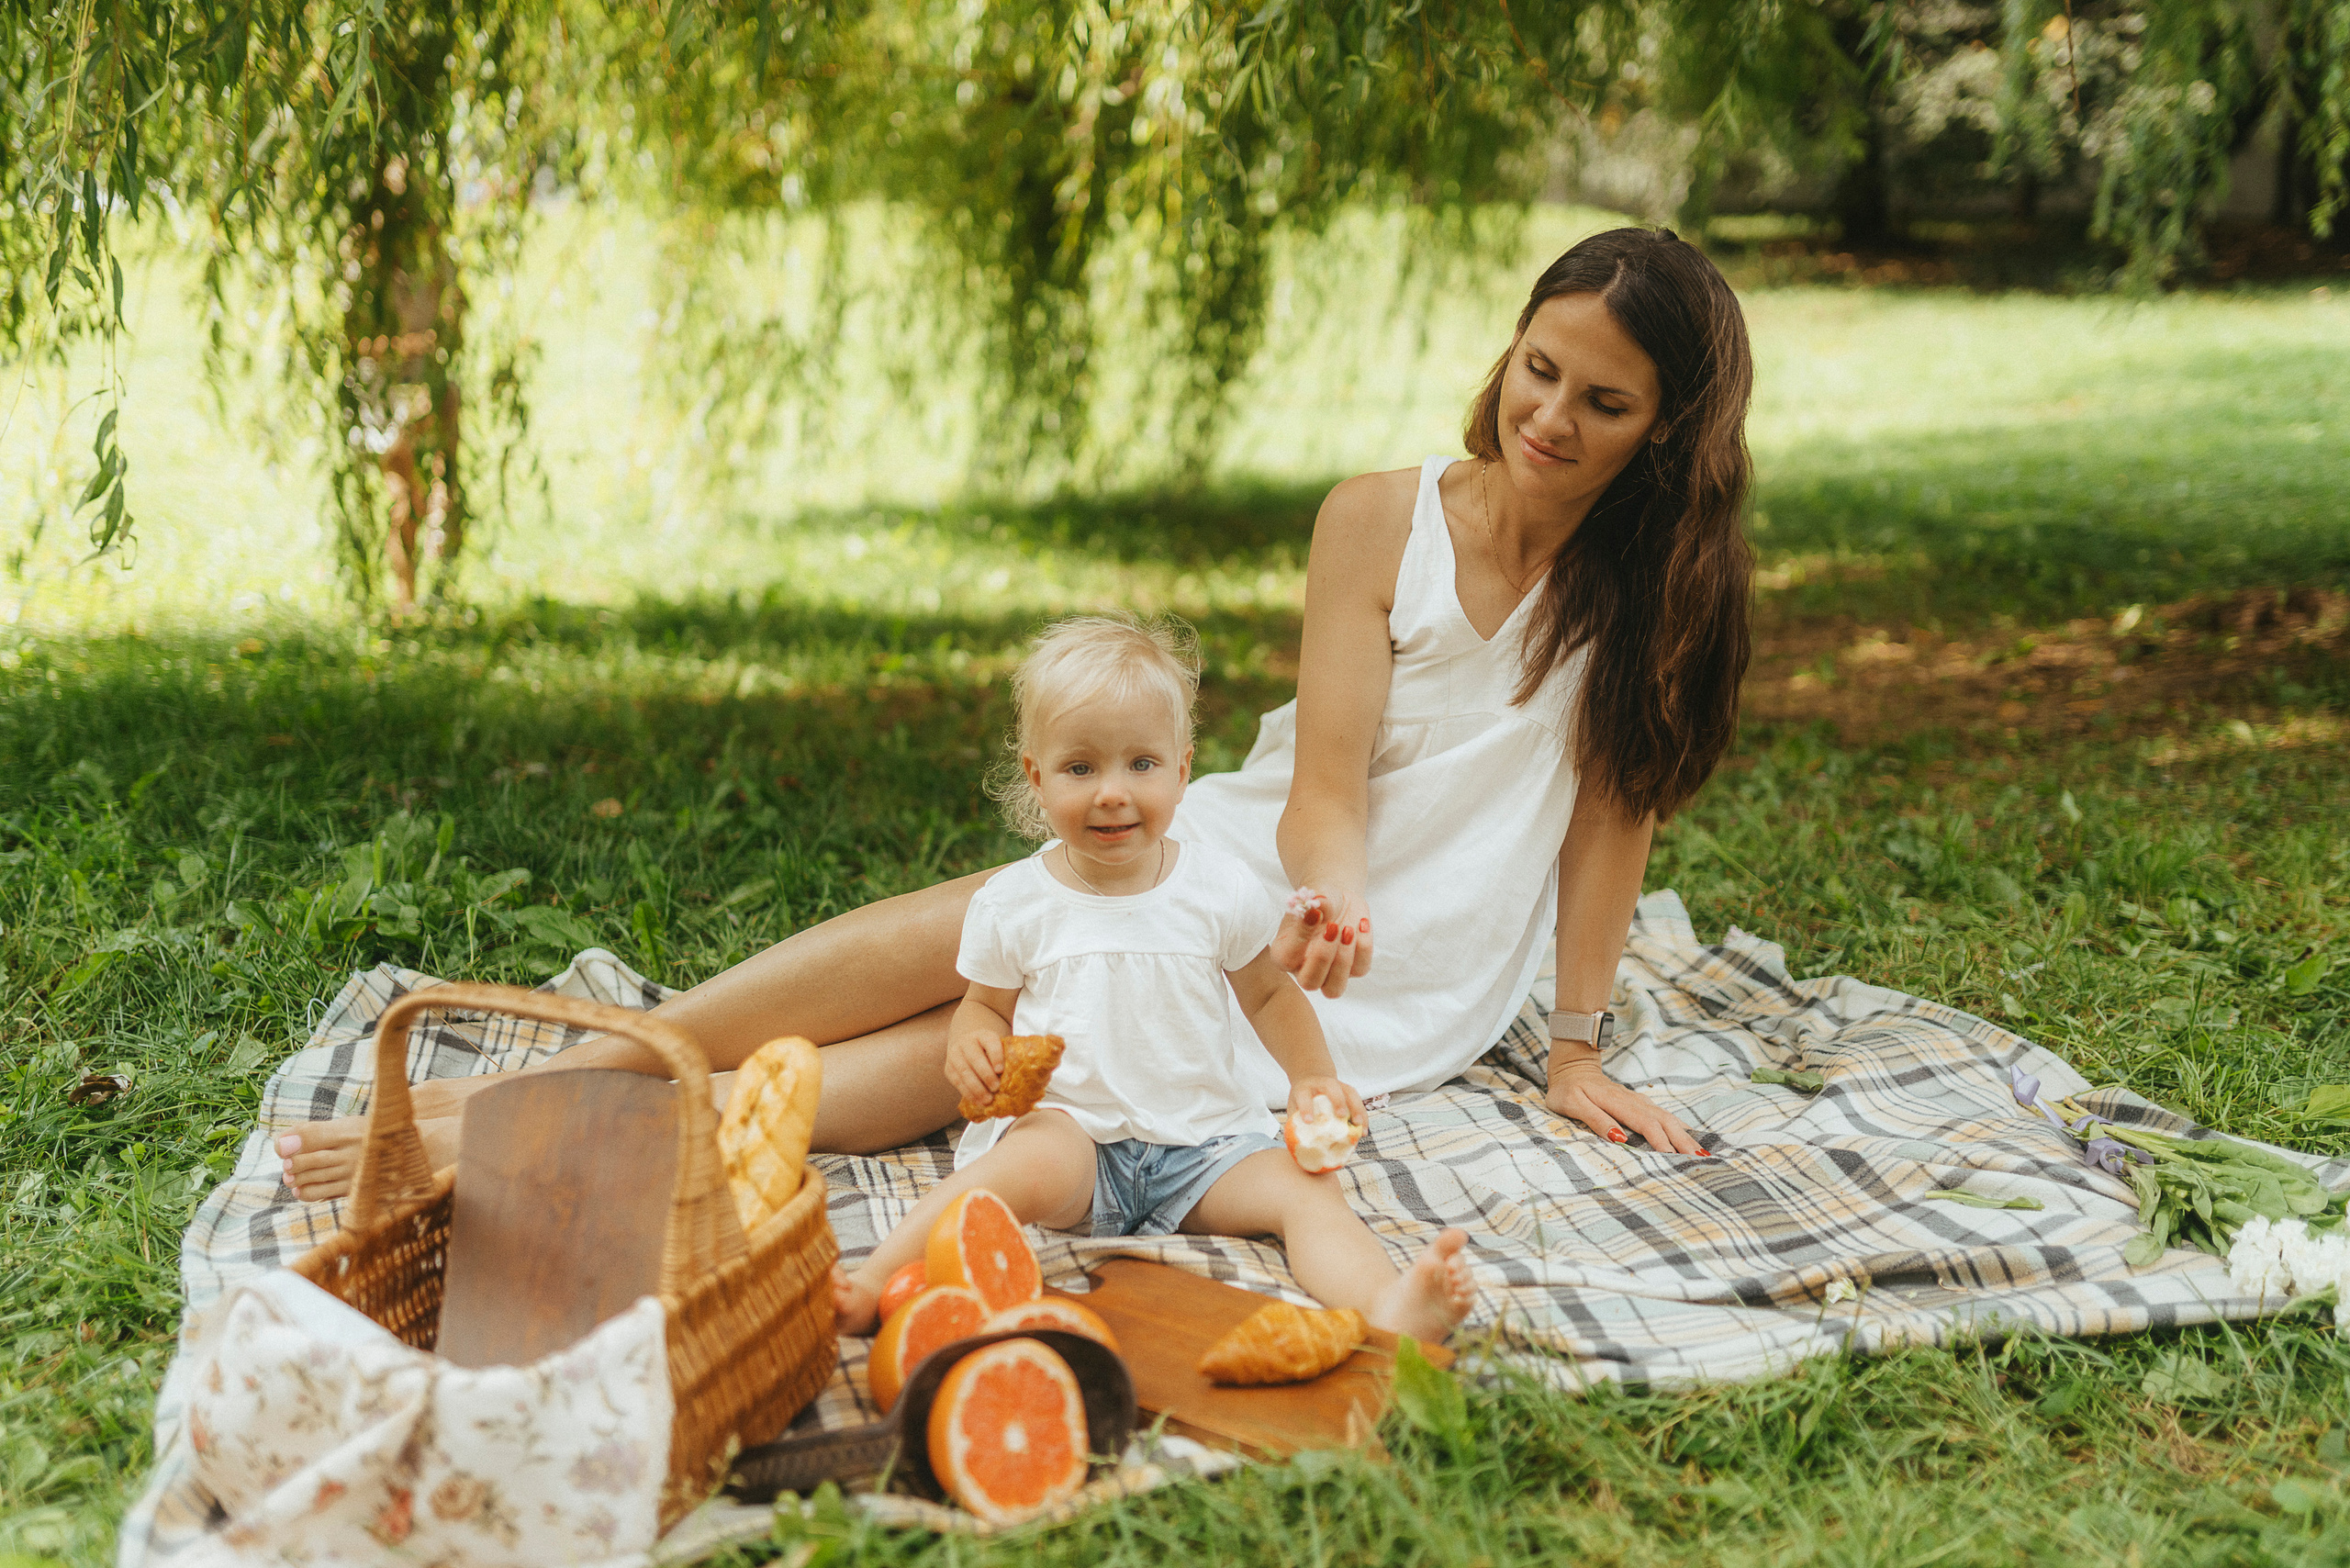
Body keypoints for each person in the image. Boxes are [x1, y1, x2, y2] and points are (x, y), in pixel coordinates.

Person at [277, 225, 1751, 1200]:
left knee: (1009, 1044)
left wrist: (1571, 1045)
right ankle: (595, 1063)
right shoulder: (1379, 518)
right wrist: (1329, 898)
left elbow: (1608, 831)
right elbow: (1329, 783)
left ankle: (520, 1145)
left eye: (1602, 404)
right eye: (1538, 371)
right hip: (1282, 869)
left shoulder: (1656, 599)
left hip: (1403, 972)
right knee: (985, 924)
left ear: (1668, 427)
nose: (1548, 418)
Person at [833, 616, 1471, 1341]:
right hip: (1075, 1143)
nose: (1113, 792)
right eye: (1081, 768)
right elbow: (983, 1007)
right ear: (1038, 777)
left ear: (1183, 769)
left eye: (1141, 764)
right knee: (1016, 1165)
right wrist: (970, 1045)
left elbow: (1266, 993)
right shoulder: (1015, 902)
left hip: (1202, 1145)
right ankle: (873, 1280)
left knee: (1309, 1194)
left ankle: (1389, 1307)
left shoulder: (1217, 888)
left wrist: (1311, 1079)